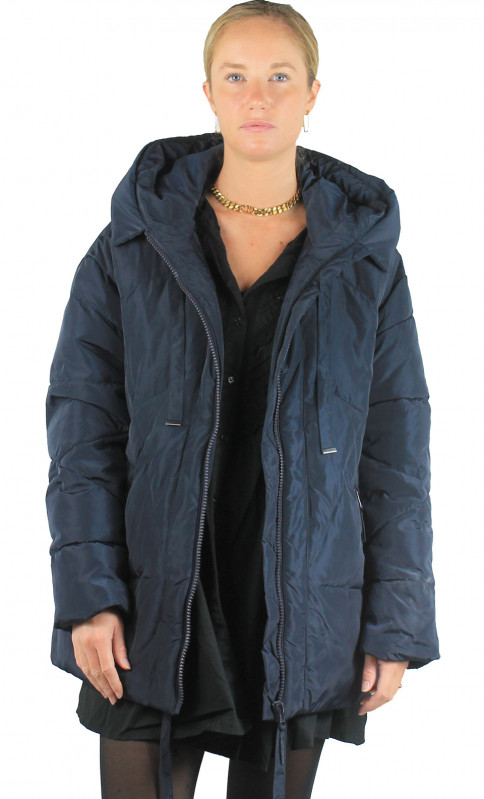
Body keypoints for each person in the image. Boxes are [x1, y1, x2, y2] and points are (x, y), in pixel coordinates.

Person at [44, 2, 440, 798]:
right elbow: (84, 433)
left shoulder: (367, 265)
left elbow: (396, 454)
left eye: (279, 77)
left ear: (313, 93)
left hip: (300, 604)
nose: (257, 97)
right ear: (209, 92)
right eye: (236, 77)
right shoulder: (132, 245)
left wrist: (394, 621)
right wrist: (91, 598)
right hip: (155, 594)